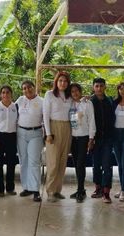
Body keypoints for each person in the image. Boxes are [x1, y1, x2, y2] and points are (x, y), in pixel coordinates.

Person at [43, 71, 72, 202]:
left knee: (62, 161)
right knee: (53, 162)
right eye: (60, 80)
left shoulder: (69, 96)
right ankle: (50, 191)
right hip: (54, 127)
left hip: (67, 128)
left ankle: (57, 191)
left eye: (65, 81)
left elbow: (75, 112)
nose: (63, 83)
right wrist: (48, 133)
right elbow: (45, 115)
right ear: (56, 81)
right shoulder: (49, 95)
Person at [15, 80, 44, 202]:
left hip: (36, 133)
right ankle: (26, 187)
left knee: (34, 161)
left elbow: (46, 118)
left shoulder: (42, 102)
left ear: (34, 87)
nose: (27, 90)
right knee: (23, 160)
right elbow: (12, 113)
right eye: (24, 88)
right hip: (21, 133)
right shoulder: (20, 100)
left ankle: (35, 190)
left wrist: (48, 134)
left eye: (29, 87)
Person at [67, 83, 96, 203]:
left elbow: (91, 120)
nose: (75, 93)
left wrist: (91, 138)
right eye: (72, 91)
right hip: (73, 138)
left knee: (80, 164)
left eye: (77, 91)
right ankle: (81, 189)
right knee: (76, 165)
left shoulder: (87, 103)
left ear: (80, 91)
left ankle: (80, 190)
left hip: (84, 138)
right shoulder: (69, 103)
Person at [89, 78, 115, 203]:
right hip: (95, 139)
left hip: (108, 139)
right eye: (97, 86)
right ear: (93, 87)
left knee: (107, 165)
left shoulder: (110, 101)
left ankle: (106, 192)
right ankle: (98, 188)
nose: (99, 88)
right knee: (96, 166)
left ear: (105, 87)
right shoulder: (89, 102)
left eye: (101, 86)